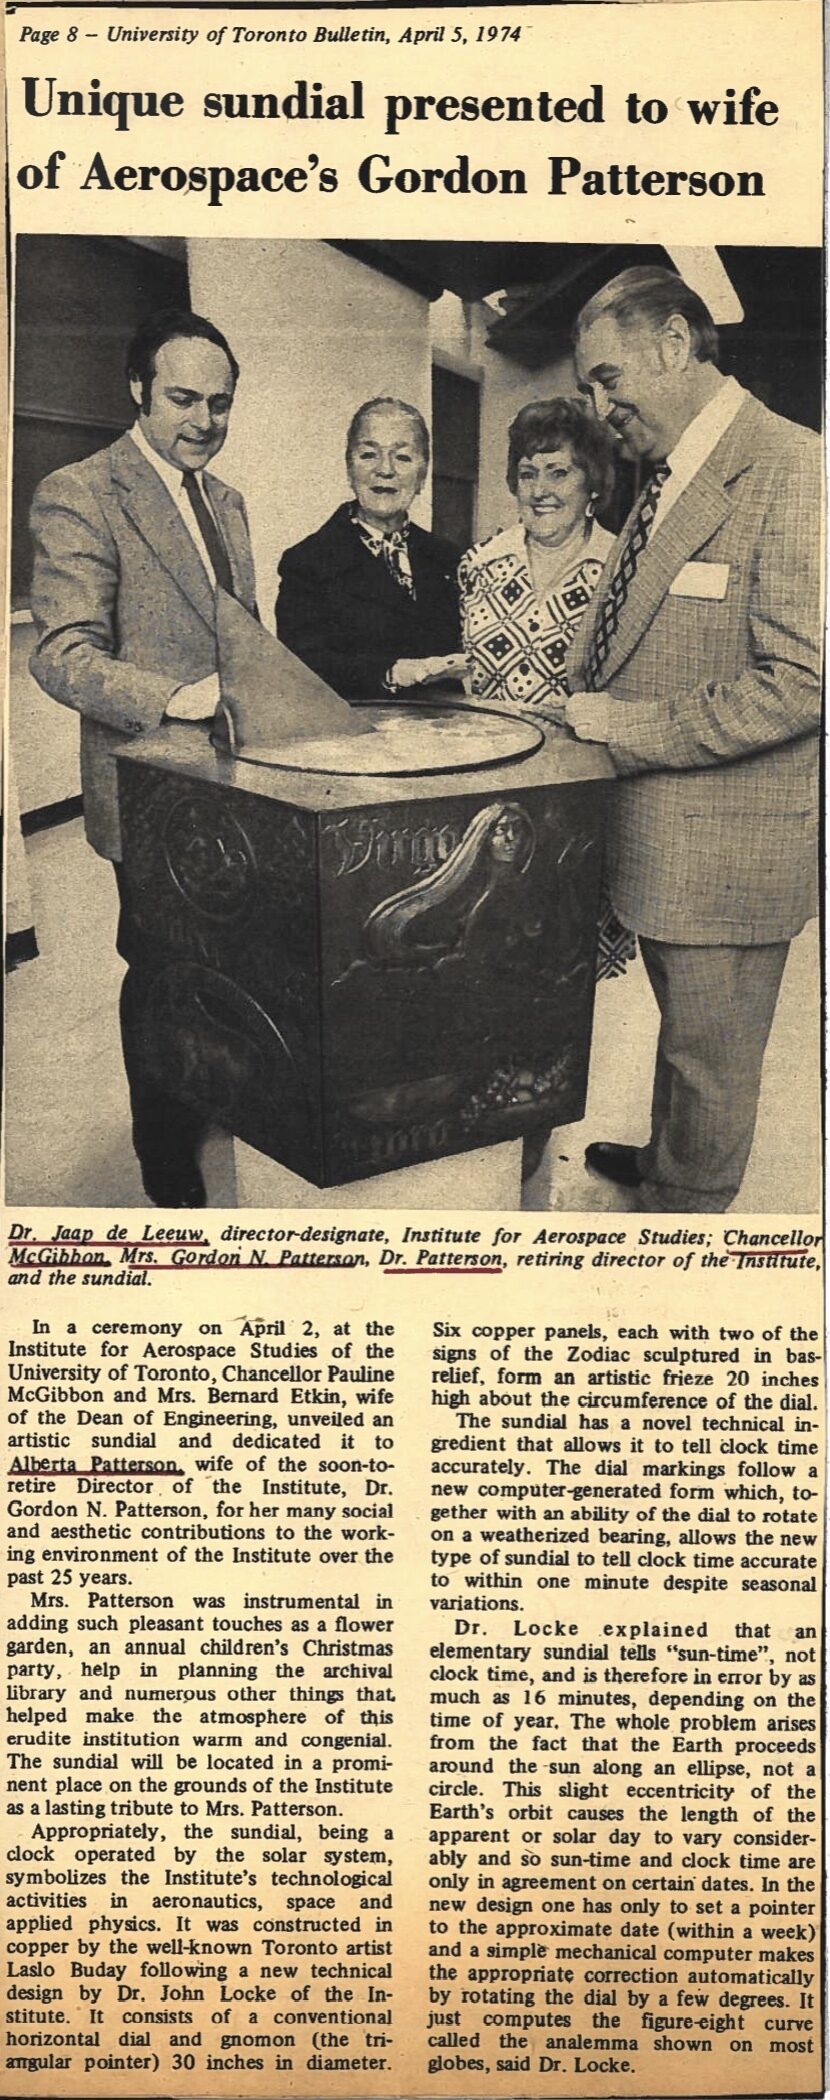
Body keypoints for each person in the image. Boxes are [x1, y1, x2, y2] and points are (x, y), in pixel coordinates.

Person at [564, 264, 821, 1212]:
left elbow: (802, 681)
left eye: (607, 378)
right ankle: (671, 1161)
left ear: (675, 345)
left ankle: (686, 1218)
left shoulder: (794, 467)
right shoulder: (675, 472)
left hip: (730, 858)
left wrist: (621, 726)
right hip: (671, 847)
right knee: (685, 1041)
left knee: (713, 1068)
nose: (600, 407)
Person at [29, 307, 258, 1208]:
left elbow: (238, 635)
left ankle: (212, 1096)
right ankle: (165, 1155)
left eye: (222, 402)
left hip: (235, 786)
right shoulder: (79, 490)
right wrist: (173, 697)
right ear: (137, 390)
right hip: (151, 792)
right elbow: (63, 653)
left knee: (225, 963)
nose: (204, 419)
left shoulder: (229, 500)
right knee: (161, 972)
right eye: (183, 398)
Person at [275, 396, 464, 700]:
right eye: (368, 455)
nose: (385, 469)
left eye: (402, 457)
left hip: (442, 733)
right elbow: (301, 666)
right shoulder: (307, 561)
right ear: (349, 468)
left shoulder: (448, 558)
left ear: (423, 474)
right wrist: (391, 673)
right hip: (354, 737)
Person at [459, 395, 617, 725]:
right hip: (489, 754)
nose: (540, 491)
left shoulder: (620, 569)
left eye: (558, 473)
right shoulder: (478, 564)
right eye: (528, 474)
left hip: (579, 763)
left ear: (592, 483)